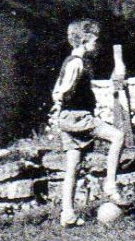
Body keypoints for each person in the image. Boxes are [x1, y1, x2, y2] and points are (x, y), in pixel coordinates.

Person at [50, 18, 126, 226]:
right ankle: (110, 184)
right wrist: (61, 98)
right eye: (95, 42)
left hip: (67, 117)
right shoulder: (76, 62)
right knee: (118, 136)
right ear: (85, 40)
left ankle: (67, 214)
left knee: (72, 166)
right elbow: (62, 89)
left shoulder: (72, 61)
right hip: (78, 116)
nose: (97, 46)